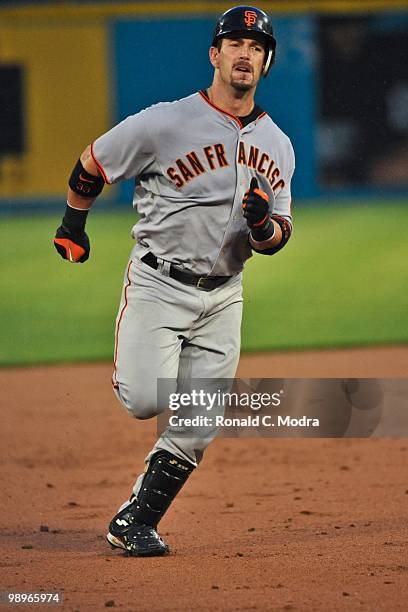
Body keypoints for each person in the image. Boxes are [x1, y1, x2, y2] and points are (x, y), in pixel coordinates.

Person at [53, 5, 295, 557]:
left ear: (267, 63)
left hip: (224, 295)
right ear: (214, 55)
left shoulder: (279, 145)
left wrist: (261, 224)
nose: (245, 54)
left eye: (257, 48)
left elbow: (280, 234)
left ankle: (135, 520)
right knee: (144, 400)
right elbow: (93, 162)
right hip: (160, 284)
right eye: (235, 43)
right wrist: (73, 223)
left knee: (200, 419)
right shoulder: (165, 122)